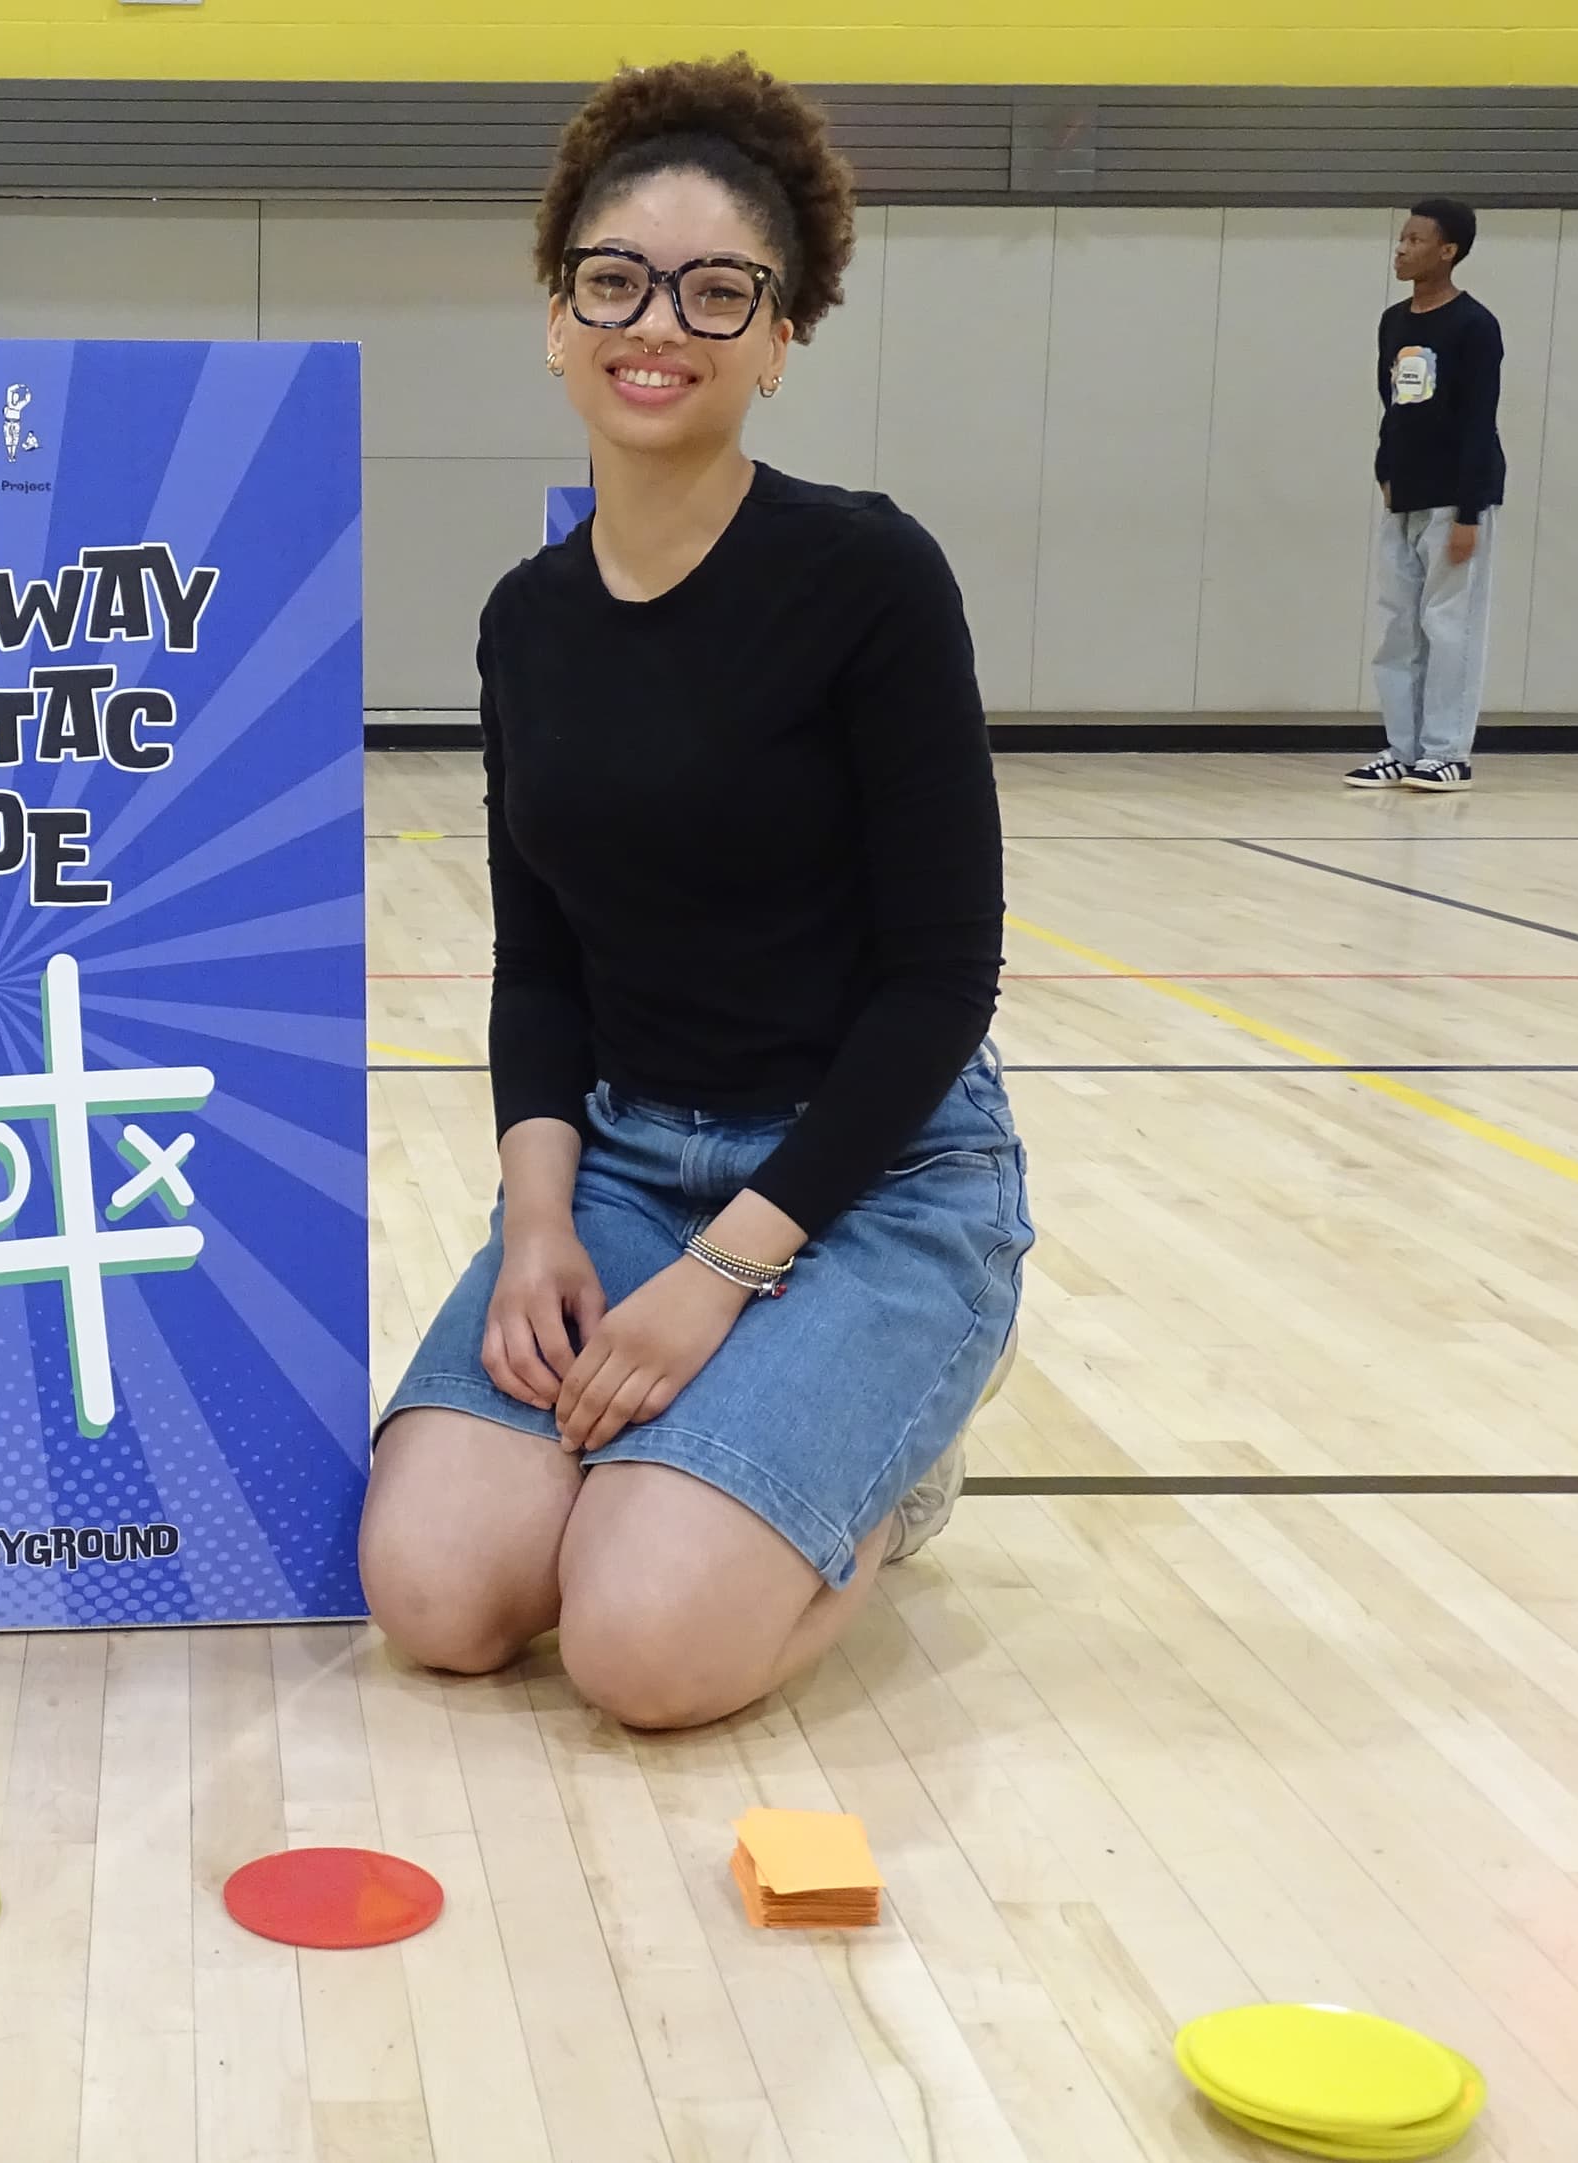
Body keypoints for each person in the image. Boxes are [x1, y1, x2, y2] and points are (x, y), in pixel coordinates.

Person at [357, 55, 1032, 1733]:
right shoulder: (529, 618)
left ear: (782, 333)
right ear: (556, 312)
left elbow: (943, 979)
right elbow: (543, 961)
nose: (657, 322)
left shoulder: (868, 577)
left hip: (872, 1179)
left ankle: (885, 1467)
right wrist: (534, 1226)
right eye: (615, 280)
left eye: (717, 290)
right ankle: (721, 1459)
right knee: (440, 1596)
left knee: (640, 1644)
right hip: (630, 1162)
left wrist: (723, 1276)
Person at [1349, 197, 1504, 795]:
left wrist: (1468, 511)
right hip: (1403, 494)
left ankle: (1447, 752)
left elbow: (1477, 420)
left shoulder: (1474, 325)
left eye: (1416, 240)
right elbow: (1391, 407)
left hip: (1454, 498)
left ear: (1449, 251)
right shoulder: (1395, 321)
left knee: (1450, 626)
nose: (1402, 248)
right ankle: (1402, 747)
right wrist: (1386, 471)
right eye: (1401, 239)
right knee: (1399, 629)